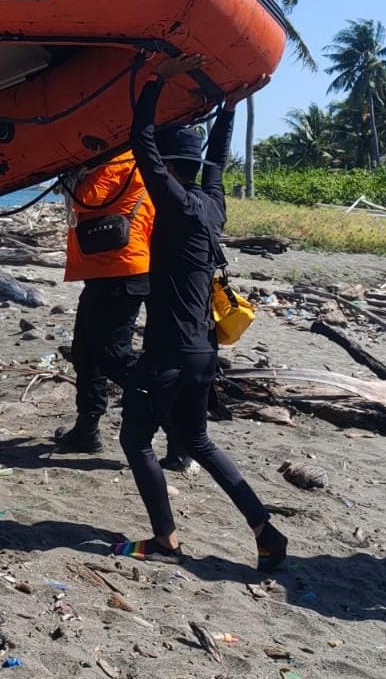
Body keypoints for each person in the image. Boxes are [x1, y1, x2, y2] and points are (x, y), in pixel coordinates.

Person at [116, 53, 286, 571]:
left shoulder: (174, 202)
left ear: (168, 169)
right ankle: (264, 530)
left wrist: (154, 84)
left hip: (168, 351)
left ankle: (165, 539)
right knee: (196, 439)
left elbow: (141, 140)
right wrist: (229, 108)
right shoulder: (212, 204)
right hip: (202, 351)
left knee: (135, 437)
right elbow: (218, 162)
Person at [52, 150, 154, 454]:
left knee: (113, 354)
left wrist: (72, 171)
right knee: (85, 351)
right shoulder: (118, 159)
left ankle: (170, 413)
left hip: (121, 270)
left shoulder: (119, 159)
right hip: (108, 269)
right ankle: (87, 427)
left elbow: (89, 198)